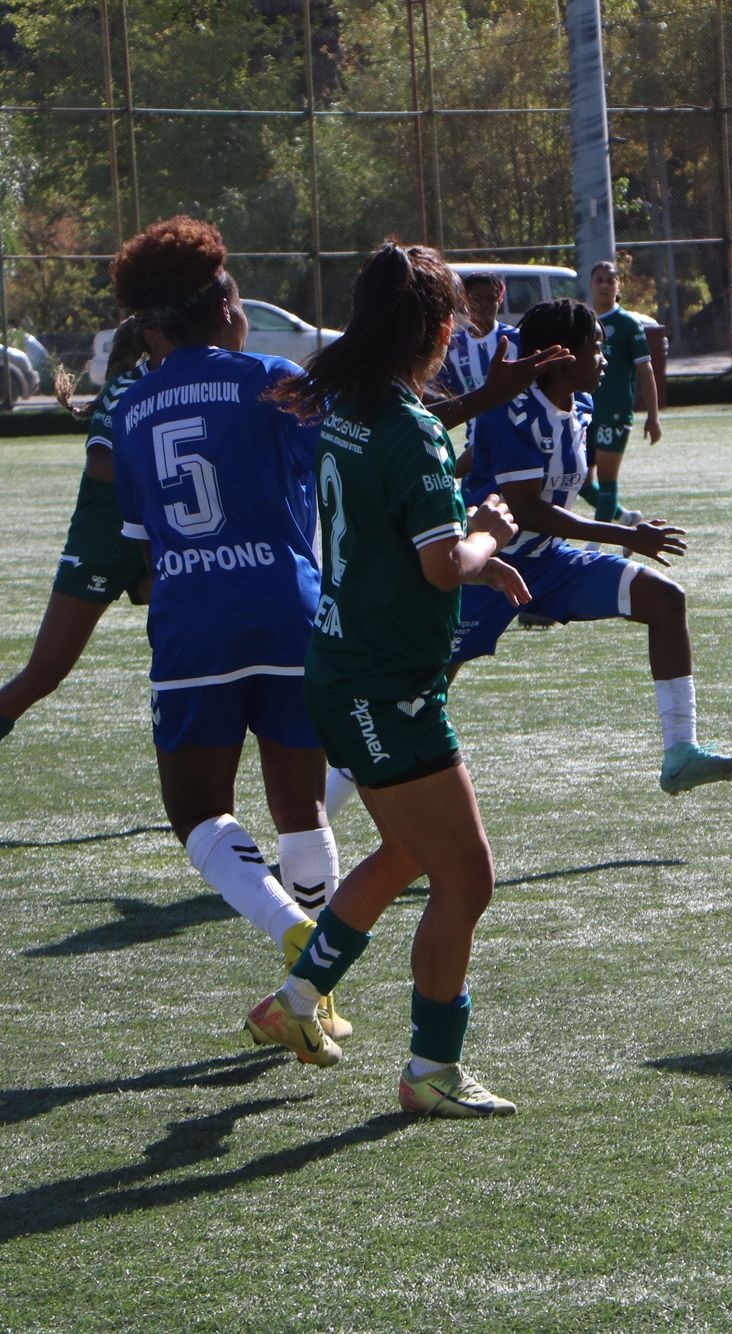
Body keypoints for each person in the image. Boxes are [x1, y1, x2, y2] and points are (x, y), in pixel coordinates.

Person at [247, 242, 536, 1115]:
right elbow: (443, 564)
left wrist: (469, 553)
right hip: (383, 687)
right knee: (467, 877)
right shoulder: (406, 425)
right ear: (441, 330)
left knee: (411, 852)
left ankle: (296, 1000)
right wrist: (487, 535)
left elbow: (401, 535)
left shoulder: (354, 404)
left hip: (348, 667)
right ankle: (431, 1072)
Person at [102, 217, 343, 1015]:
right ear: (229, 311)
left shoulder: (131, 409)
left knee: (198, 812)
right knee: (302, 809)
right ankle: (317, 990)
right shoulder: (271, 377)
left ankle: (290, 930)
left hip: (193, 623)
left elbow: (145, 549)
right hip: (287, 609)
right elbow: (353, 451)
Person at [450, 297, 732, 795]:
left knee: (665, 600)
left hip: (548, 561)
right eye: (596, 347)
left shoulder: (582, 407)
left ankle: (681, 753)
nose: (604, 358)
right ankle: (328, 800)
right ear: (562, 357)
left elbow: (551, 488)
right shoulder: (515, 414)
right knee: (417, 702)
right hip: (489, 568)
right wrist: (627, 535)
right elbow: (526, 510)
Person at [0, 317, 161, 744]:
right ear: (156, 336)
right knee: (45, 672)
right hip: (104, 544)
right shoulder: (128, 388)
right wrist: (163, 485)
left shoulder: (195, 380)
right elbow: (101, 464)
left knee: (199, 652)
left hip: (162, 541)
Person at [582, 260, 660, 528]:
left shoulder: (628, 324)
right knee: (580, 482)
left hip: (614, 412)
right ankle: (627, 519)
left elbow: (645, 371)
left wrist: (653, 416)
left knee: (607, 481)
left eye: (610, 280)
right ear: (591, 284)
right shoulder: (583, 321)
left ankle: (594, 545)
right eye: (599, 280)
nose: (604, 285)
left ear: (618, 285)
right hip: (584, 412)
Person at [440, 271, 519, 398]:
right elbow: (444, 391)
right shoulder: (453, 346)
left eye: (491, 298)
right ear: (465, 302)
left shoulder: (516, 338)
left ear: (499, 301)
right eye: (476, 299)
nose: (484, 305)